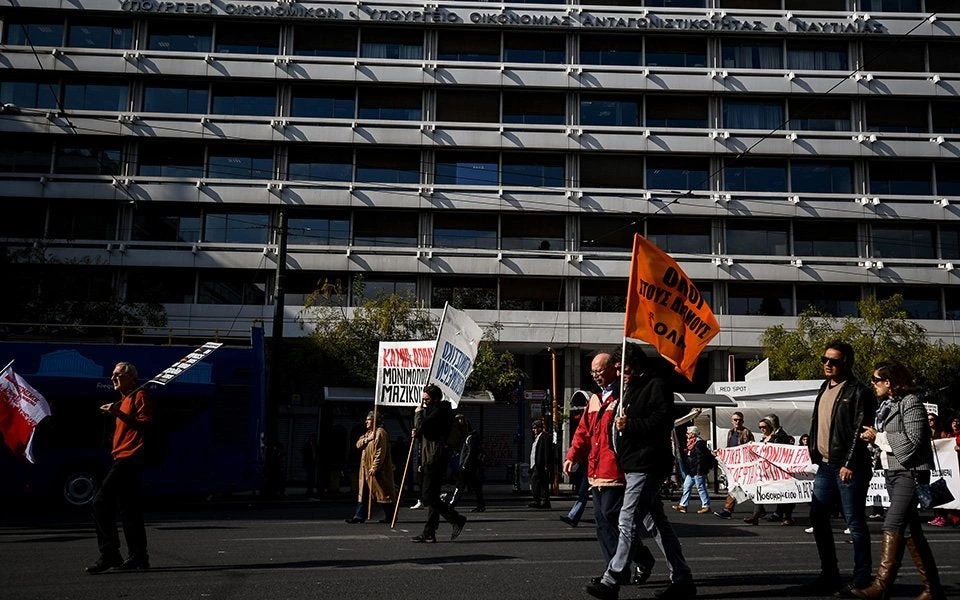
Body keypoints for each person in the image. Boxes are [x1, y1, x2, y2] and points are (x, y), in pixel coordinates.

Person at [584, 343, 696, 600]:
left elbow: (662, 420)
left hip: (646, 465)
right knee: (657, 523)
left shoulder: (656, 385)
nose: (619, 373)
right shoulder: (631, 388)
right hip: (633, 465)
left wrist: (631, 424)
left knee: (627, 519)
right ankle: (682, 578)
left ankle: (611, 579)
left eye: (621, 368)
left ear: (633, 365)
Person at [563, 351, 656, 585]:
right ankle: (614, 570)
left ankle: (628, 565)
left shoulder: (625, 396)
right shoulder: (594, 399)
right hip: (595, 469)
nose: (596, 376)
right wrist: (572, 455)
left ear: (613, 369)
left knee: (612, 516)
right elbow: (583, 432)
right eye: (593, 372)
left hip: (617, 468)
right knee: (602, 524)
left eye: (600, 371)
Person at [854, 361, 944, 600]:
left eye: (876, 380)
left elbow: (913, 440)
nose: (872, 384)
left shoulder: (911, 402)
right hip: (893, 472)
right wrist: (872, 438)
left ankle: (882, 586)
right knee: (912, 531)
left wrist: (879, 437)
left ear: (889, 382)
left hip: (910, 473)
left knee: (892, 525)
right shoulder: (887, 406)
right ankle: (932, 589)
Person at [806, 340, 877, 597]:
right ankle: (829, 574)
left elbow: (861, 430)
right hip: (825, 465)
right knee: (818, 517)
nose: (827, 364)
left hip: (849, 466)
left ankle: (862, 579)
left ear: (846, 362)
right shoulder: (824, 388)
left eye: (833, 361)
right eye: (824, 359)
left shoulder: (859, 391)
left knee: (855, 522)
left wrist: (849, 463)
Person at [86, 362, 154, 574]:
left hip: (130, 458)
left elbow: (146, 424)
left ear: (131, 377)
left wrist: (118, 413)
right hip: (122, 457)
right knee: (129, 509)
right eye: (112, 374)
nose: (113, 378)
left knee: (99, 502)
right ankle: (139, 557)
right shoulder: (124, 399)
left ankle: (109, 554)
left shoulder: (139, 395)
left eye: (118, 374)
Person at [411, 384, 466, 543]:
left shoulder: (439, 412)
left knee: (427, 495)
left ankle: (456, 519)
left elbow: (422, 427)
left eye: (426, 399)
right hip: (431, 457)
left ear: (434, 398)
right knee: (433, 495)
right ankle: (429, 532)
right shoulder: (436, 410)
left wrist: (418, 414)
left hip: (435, 458)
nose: (423, 402)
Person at [743, 415, 796, 526]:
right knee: (760, 490)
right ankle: (756, 515)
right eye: (760, 427)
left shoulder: (780, 436)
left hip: (778, 471)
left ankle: (787, 516)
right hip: (766, 470)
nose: (761, 429)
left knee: (785, 493)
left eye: (764, 426)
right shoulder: (765, 438)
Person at [346, 411, 396, 524]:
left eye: (368, 419)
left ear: (374, 421)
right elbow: (358, 444)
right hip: (365, 469)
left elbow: (380, 452)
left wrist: (375, 467)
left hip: (376, 470)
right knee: (363, 493)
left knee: (382, 493)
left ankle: (390, 516)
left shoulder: (380, 433)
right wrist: (367, 439)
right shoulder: (369, 433)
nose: (366, 422)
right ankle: (359, 516)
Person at [714, 411, 754, 519]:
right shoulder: (730, 432)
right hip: (733, 465)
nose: (737, 422)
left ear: (743, 421)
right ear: (732, 421)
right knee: (739, 487)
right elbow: (729, 448)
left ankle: (728, 510)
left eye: (740, 420)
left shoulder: (747, 432)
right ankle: (760, 509)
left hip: (743, 465)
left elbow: (752, 448)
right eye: (735, 420)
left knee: (738, 487)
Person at [448, 416, 485, 512]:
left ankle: (452, 504)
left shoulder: (470, 437)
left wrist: (464, 464)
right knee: (476, 486)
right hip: (471, 466)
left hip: (467, 466)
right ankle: (481, 505)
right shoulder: (470, 437)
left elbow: (470, 452)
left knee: (460, 485)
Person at [672, 426, 711, 514]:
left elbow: (700, 458)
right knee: (686, 487)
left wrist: (697, 468)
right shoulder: (691, 443)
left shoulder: (699, 443)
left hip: (698, 470)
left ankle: (706, 506)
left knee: (701, 488)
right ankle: (683, 505)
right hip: (691, 470)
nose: (687, 435)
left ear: (693, 434)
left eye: (688, 433)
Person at [926, 413, 954, 527]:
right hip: (931, 465)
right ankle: (937, 516)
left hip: (942, 464)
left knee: (940, 488)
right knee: (932, 489)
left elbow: (948, 444)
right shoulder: (926, 433)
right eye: (928, 420)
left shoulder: (941, 433)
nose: (930, 422)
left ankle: (943, 517)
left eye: (932, 419)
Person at [529, 419, 552, 509]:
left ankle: (538, 500)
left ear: (539, 428)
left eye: (535, 428)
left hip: (540, 465)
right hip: (535, 464)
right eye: (533, 428)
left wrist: (546, 464)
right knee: (542, 483)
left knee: (535, 481)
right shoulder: (537, 437)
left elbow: (546, 451)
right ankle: (543, 501)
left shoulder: (544, 437)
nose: (534, 430)